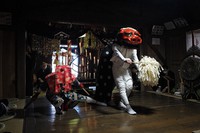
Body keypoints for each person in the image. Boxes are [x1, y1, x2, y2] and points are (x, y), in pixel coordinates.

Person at [110, 27, 142, 115]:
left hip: (126, 69)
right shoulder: (115, 46)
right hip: (117, 68)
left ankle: (121, 101)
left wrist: (140, 68)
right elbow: (117, 53)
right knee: (121, 87)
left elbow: (135, 58)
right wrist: (124, 59)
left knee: (129, 86)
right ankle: (128, 106)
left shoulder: (133, 48)